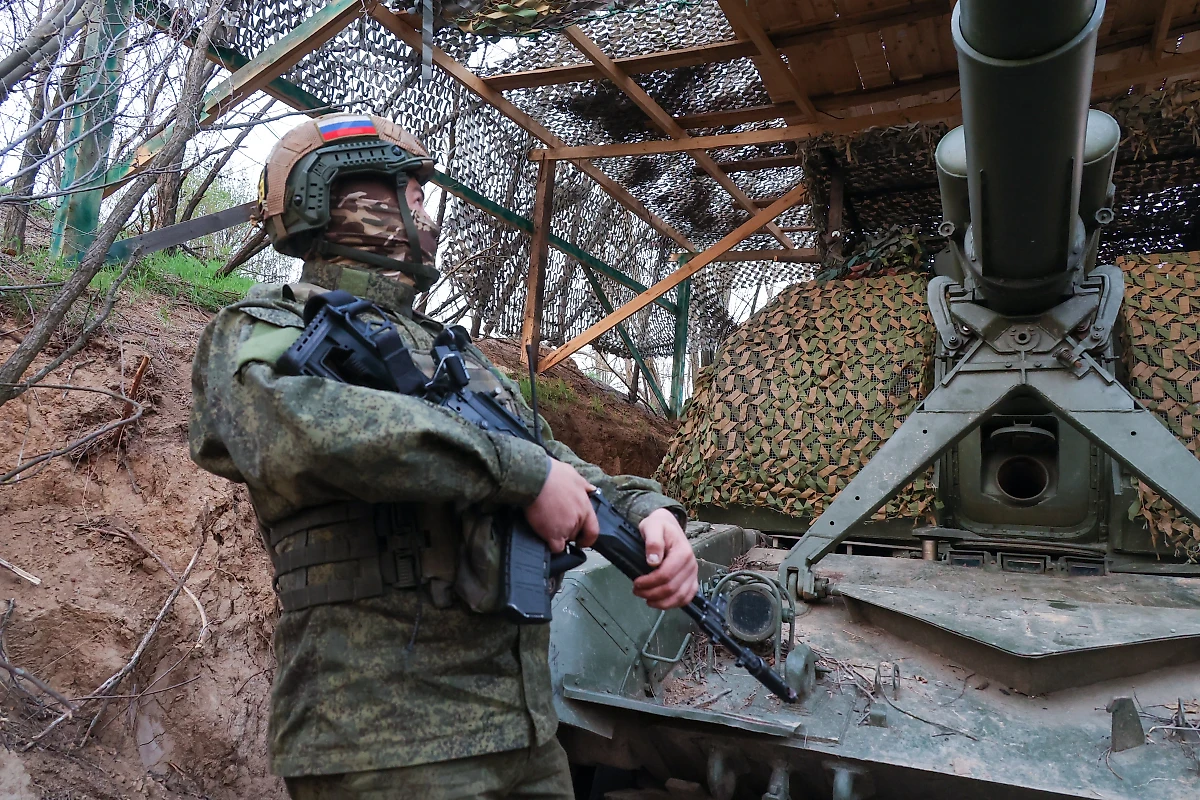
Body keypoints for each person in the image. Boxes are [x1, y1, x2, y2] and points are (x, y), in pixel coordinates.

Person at [188, 112, 699, 800]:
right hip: (385, 740)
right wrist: (519, 475)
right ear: (338, 200)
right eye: (415, 197)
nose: (428, 219)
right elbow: (293, 431)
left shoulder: (458, 358)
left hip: (521, 730)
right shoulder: (266, 328)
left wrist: (650, 514)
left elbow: (561, 463)